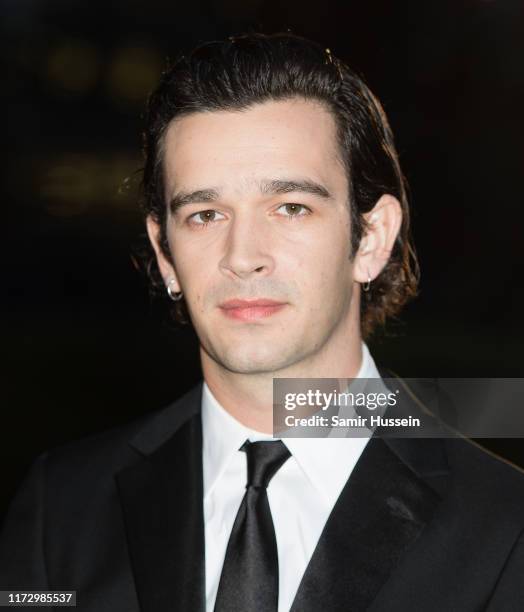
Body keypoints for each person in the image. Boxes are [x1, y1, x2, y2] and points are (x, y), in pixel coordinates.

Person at [1, 32, 524, 612]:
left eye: (291, 207)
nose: (243, 253)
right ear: (165, 253)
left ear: (371, 238)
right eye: (204, 214)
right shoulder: (61, 507)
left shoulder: (507, 527)